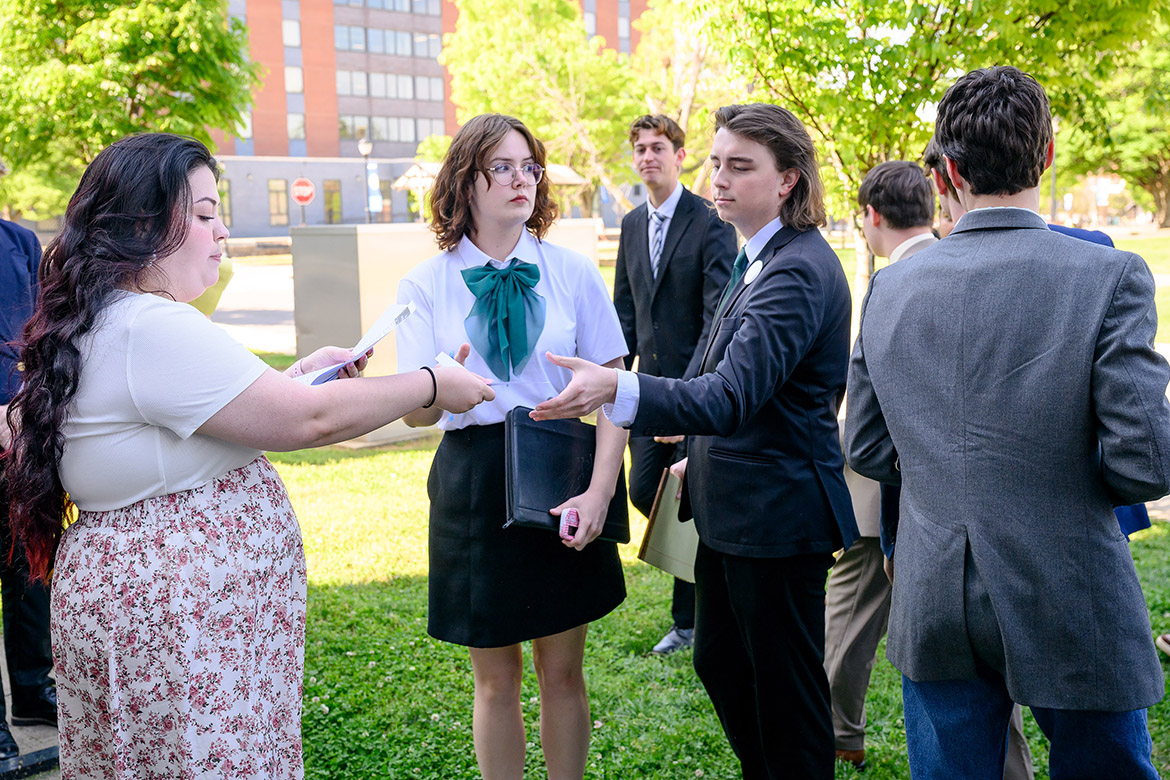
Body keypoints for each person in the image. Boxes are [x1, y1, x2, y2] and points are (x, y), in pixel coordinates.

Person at [4, 132, 493, 779]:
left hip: (148, 614)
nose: (223, 231)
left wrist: (300, 372)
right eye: (205, 214)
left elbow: (208, 414)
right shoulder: (152, 325)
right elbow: (306, 418)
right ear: (147, 225)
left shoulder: (109, 319)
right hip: (181, 626)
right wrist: (432, 383)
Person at [845, 66, 1170, 779]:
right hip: (1071, 583)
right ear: (1047, 154)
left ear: (948, 172)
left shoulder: (889, 285)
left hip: (933, 587)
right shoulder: (1108, 276)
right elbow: (1147, 461)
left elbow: (866, 445)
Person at [531, 103, 858, 779]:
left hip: (778, 516)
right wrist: (689, 431)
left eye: (741, 166)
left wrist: (618, 389)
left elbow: (732, 394)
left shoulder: (796, 269)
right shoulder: (757, 255)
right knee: (718, 658)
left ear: (788, 180)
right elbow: (723, 377)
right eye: (716, 162)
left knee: (789, 698)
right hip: (733, 506)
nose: (721, 177)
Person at [394, 113, 629, 780]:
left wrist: (599, 488)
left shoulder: (573, 271)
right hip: (473, 478)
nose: (521, 179)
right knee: (495, 678)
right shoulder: (425, 284)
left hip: (562, 469)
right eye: (503, 166)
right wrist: (443, 391)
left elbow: (616, 390)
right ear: (466, 179)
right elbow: (416, 415)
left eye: (530, 166)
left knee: (563, 671)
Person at [830, 160, 1036, 777]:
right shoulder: (993, 271)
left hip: (910, 510)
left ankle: (838, 728)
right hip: (1001, 517)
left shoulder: (894, 285)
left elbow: (869, 435)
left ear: (871, 216)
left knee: (859, 621)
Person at [612, 114, 735, 655]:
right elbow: (623, 309)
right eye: (639, 148)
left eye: (657, 147)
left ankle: (689, 621)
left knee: (691, 499)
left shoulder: (710, 221)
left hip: (695, 393)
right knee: (645, 491)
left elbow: (717, 318)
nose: (647, 157)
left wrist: (684, 398)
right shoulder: (631, 224)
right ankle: (708, 585)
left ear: (680, 155)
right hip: (642, 391)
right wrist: (613, 378)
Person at [0, 174, 57, 761]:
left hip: (21, 436)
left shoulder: (19, 242)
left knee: (28, 567)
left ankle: (34, 692)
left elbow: (40, 332)